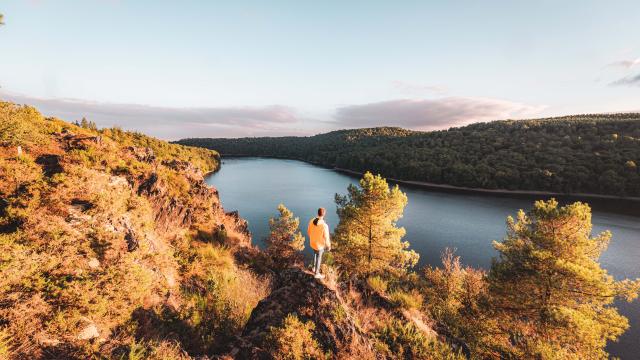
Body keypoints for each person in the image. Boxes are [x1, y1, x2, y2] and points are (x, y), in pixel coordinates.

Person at [307, 207, 331, 279]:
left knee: (315, 254)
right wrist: (328, 246)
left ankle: (313, 267)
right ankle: (316, 273)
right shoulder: (324, 226)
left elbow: (308, 231)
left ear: (318, 213)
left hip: (313, 242)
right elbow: (326, 238)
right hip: (319, 245)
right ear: (324, 214)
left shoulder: (311, 221)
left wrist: (312, 238)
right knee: (319, 257)